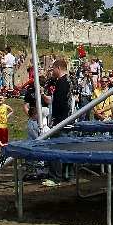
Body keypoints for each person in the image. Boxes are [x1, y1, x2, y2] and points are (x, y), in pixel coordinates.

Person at [40, 58, 73, 186]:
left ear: (58, 68)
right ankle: (68, 174)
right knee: (65, 149)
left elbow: (60, 104)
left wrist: (55, 119)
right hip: (67, 120)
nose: (52, 70)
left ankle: (55, 177)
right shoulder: (68, 81)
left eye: (53, 68)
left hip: (61, 122)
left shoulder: (62, 82)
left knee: (56, 148)